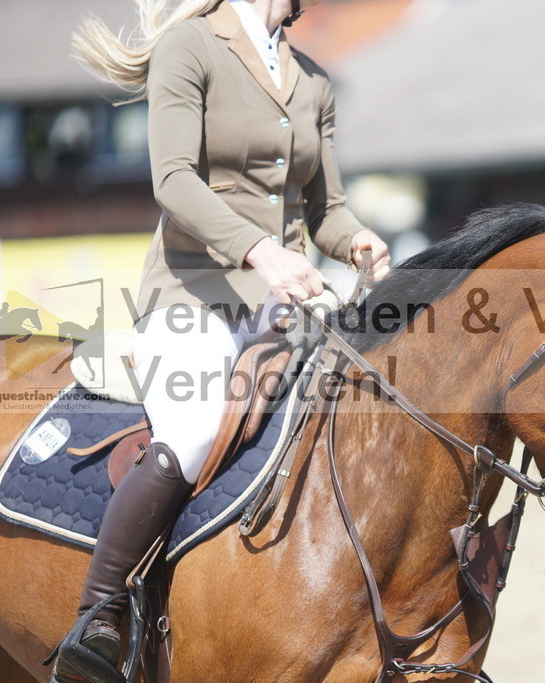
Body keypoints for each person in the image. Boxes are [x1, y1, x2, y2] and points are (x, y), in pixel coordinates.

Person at [53, 1, 390, 680]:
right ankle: (99, 615)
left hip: (285, 305)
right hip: (193, 297)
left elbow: (324, 209)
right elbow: (173, 179)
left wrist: (354, 238)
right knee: (199, 427)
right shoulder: (191, 47)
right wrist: (261, 251)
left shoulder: (313, 81)